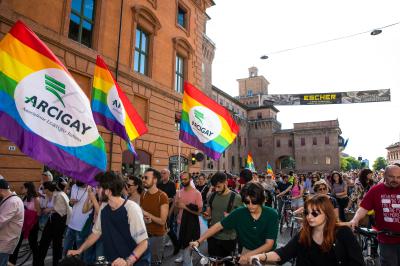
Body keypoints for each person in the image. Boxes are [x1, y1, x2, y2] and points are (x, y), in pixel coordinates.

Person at [250, 194, 364, 266]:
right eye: (306, 213)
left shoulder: (343, 232)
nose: (309, 216)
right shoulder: (304, 234)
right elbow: (284, 253)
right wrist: (261, 256)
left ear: (327, 214)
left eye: (315, 213)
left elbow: (357, 262)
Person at [68, 171, 150, 265]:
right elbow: (96, 232)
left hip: (135, 262)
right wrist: (79, 250)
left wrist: (127, 262)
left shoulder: (131, 208)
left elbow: (144, 243)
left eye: (98, 187)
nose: (96, 190)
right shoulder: (103, 207)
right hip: (114, 261)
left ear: (107, 191)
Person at [190, 182, 279, 264]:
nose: (250, 205)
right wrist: (198, 241)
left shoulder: (272, 214)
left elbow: (269, 244)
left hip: (267, 254)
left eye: (254, 202)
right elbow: (218, 226)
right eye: (247, 202)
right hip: (247, 250)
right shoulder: (239, 213)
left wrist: (249, 255)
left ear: (261, 200)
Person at [348, 165, 400, 266]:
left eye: (398, 177)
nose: (395, 180)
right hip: (386, 240)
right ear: (384, 175)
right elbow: (362, 209)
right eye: (392, 177)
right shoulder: (376, 190)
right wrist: (355, 219)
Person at [202, 172, 242, 263]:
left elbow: (241, 219)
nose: (216, 189)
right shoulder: (211, 196)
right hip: (212, 236)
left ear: (226, 183)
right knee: (213, 261)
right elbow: (209, 214)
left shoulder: (236, 198)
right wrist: (207, 216)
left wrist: (232, 218)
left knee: (227, 262)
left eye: (219, 186)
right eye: (214, 187)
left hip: (228, 238)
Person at [172, 172, 203, 265]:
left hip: (191, 225)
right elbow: (176, 212)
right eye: (182, 179)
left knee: (187, 248)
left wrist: (185, 207)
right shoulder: (179, 193)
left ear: (190, 180)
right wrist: (177, 205)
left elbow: (199, 212)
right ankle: (184, 257)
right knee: (182, 244)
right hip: (179, 222)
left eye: (186, 179)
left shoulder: (197, 193)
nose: (183, 181)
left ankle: (188, 262)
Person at [140, 168, 169, 265]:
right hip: (144, 235)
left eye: (146, 178)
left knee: (154, 263)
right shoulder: (143, 194)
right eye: (143, 177)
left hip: (157, 237)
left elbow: (162, 221)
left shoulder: (162, 196)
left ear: (155, 180)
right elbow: (142, 214)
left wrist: (147, 214)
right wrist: (144, 219)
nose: (143, 180)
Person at [38, 181, 70, 266]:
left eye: (42, 188)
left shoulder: (59, 195)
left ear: (47, 189)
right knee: (43, 241)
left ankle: (56, 263)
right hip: (51, 219)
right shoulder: (48, 195)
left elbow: (62, 211)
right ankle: (40, 262)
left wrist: (51, 209)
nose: (41, 190)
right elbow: (44, 206)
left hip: (59, 221)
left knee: (57, 243)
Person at [9, 182, 41, 266]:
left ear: (27, 188)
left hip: (32, 225)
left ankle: (37, 263)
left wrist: (28, 214)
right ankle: (12, 263)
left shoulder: (36, 199)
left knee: (33, 246)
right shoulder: (24, 197)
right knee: (16, 244)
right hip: (23, 225)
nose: (21, 189)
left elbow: (39, 213)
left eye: (22, 187)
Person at [0, 179, 24, 266]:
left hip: (5, 241)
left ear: (1, 190)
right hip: (4, 239)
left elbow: (1, 221)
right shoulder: (8, 199)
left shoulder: (12, 202)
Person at [63, 180, 90, 256]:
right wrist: (71, 202)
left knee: (80, 254)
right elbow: (70, 203)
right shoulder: (74, 186)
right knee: (65, 251)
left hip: (82, 226)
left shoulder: (92, 189)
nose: (78, 179)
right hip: (71, 224)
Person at [157, 168, 179, 255]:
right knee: (161, 229)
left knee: (169, 229)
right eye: (161, 173)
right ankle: (160, 251)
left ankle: (176, 245)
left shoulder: (172, 184)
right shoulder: (159, 184)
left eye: (164, 173)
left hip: (169, 210)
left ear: (168, 174)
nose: (162, 174)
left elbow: (173, 199)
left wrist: (170, 212)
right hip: (160, 210)